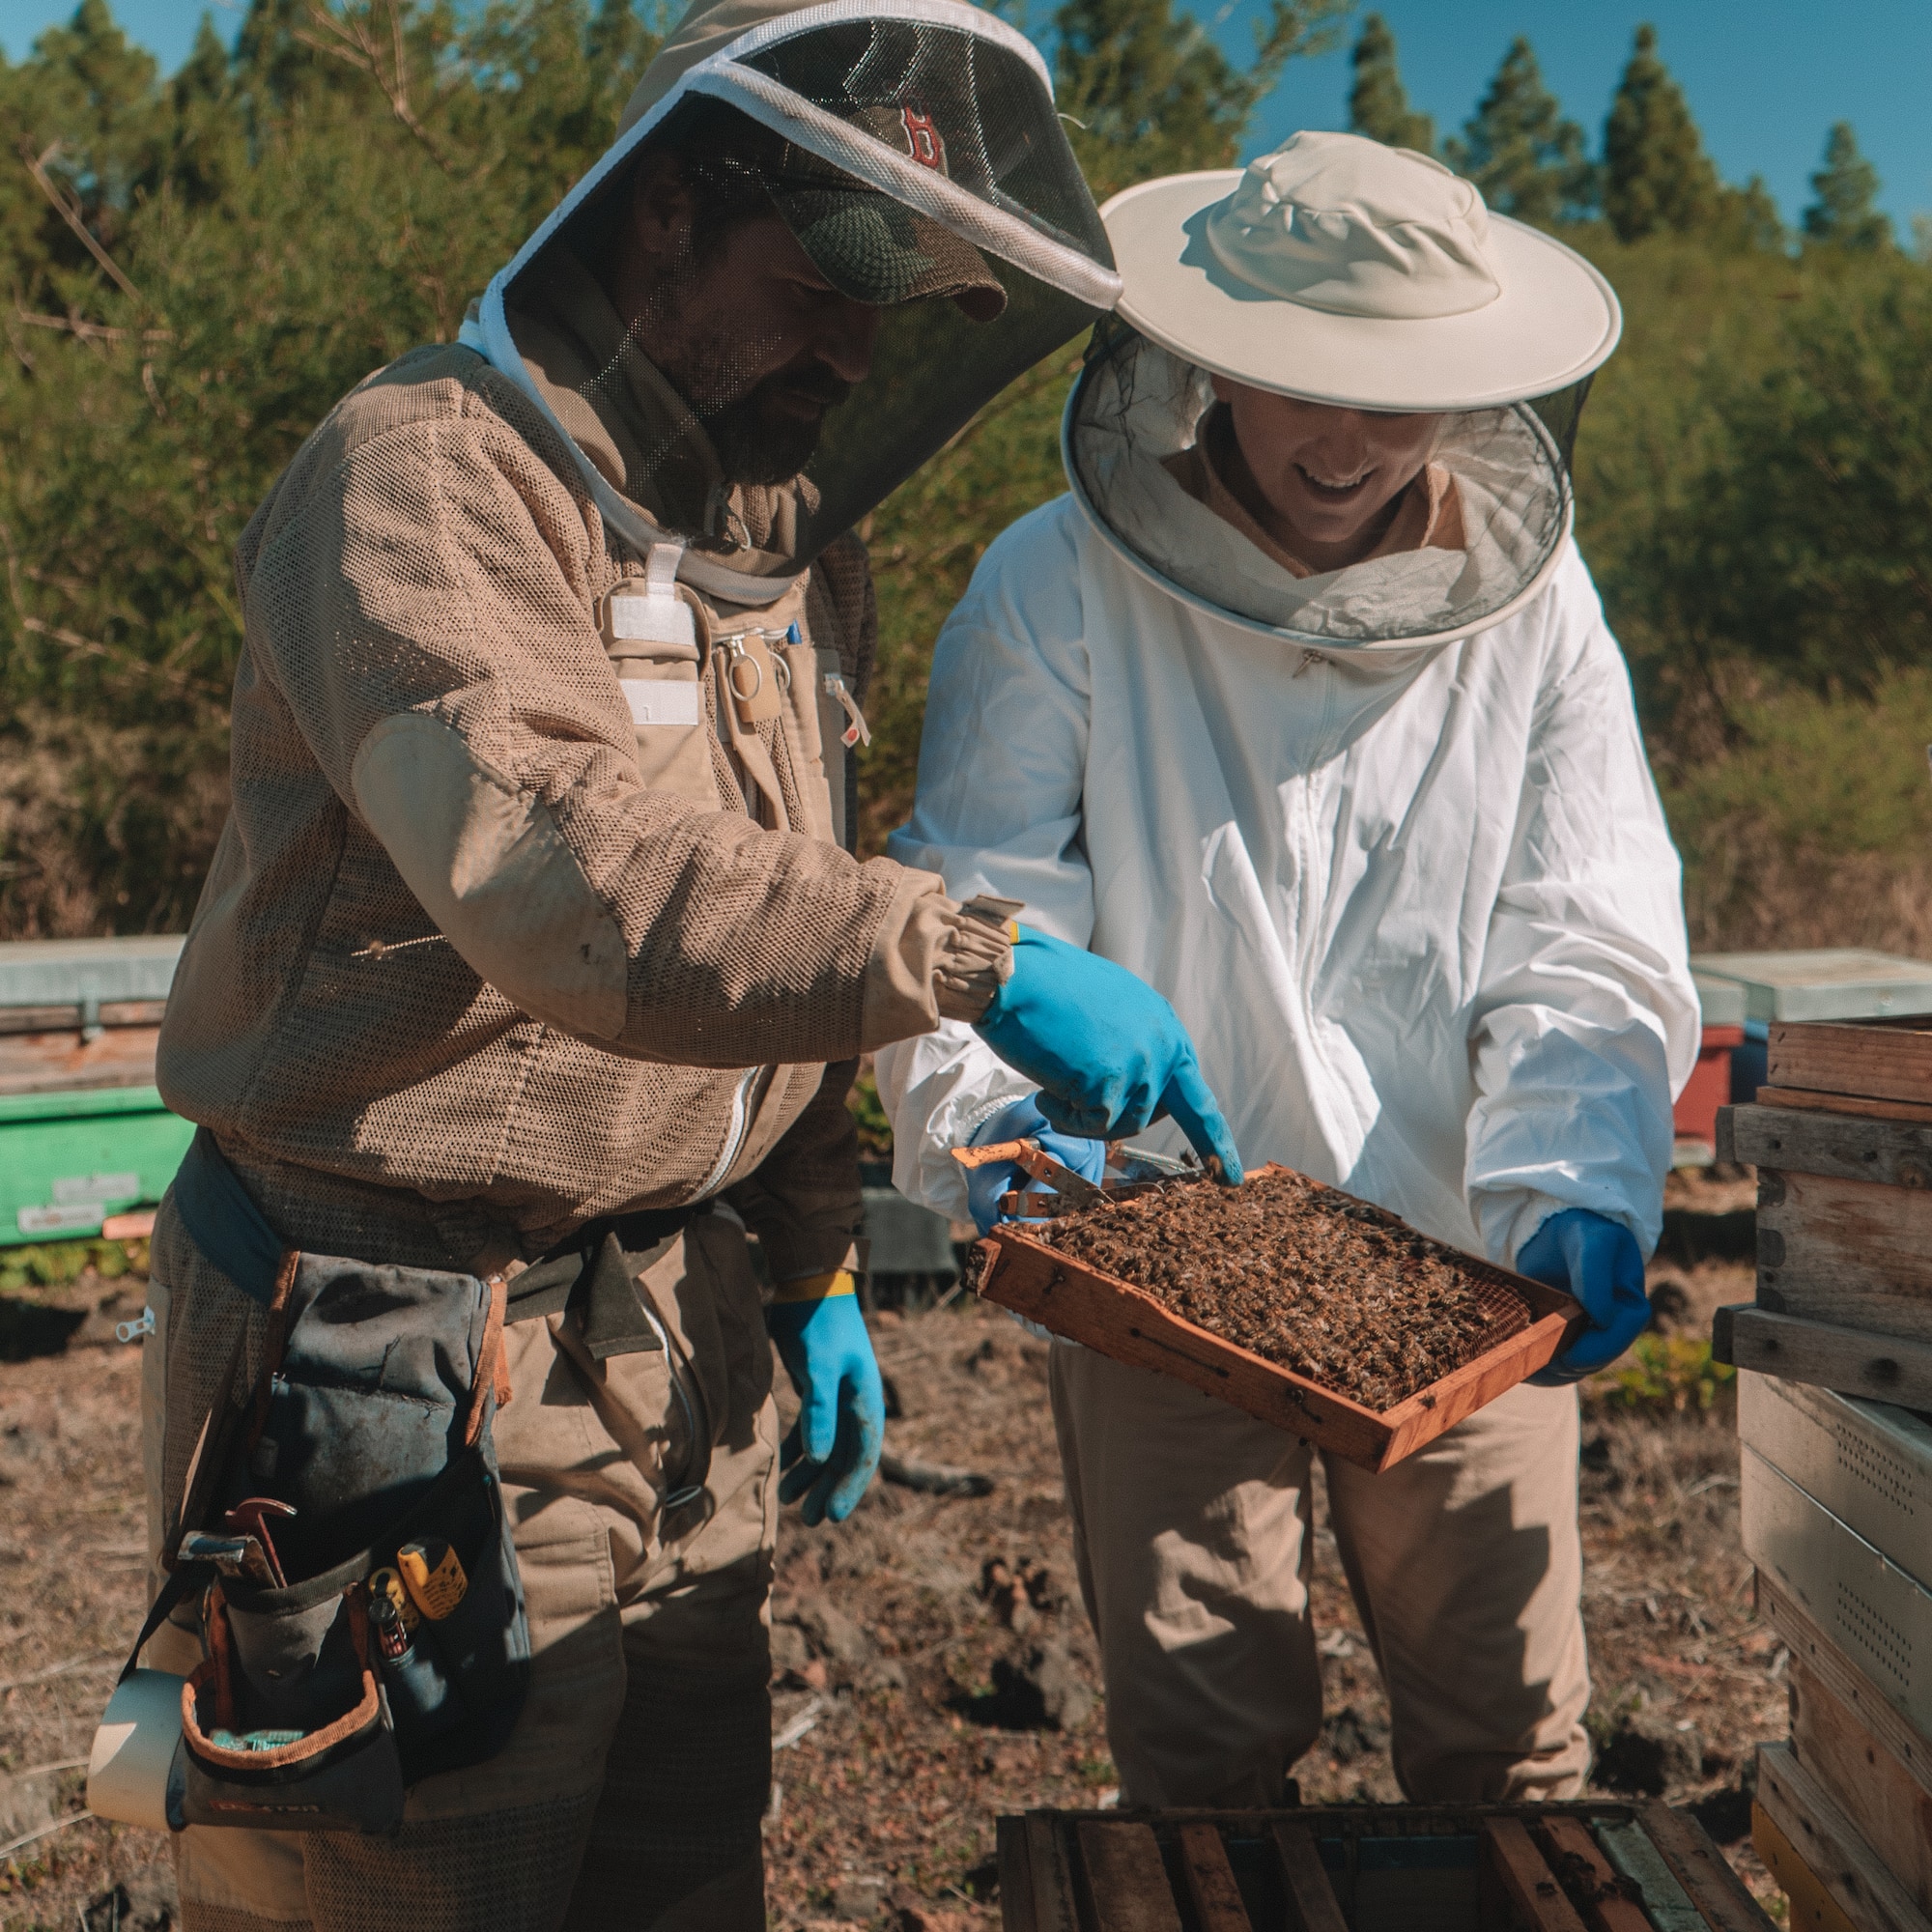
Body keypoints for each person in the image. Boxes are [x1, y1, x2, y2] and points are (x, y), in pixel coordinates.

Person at [133, 5, 1239, 1927]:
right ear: (658, 212)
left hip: (679, 1333)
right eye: (819, 280)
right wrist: (973, 963)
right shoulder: (424, 479)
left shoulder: (787, 548)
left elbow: (781, 907)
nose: (853, 345)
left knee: (677, 1878)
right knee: (402, 1887)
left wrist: (808, 1256)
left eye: (890, 306)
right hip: (396, 1342)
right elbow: (570, 880)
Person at [877, 131, 1699, 1807]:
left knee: (1511, 1744)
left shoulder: (1537, 615)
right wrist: (1027, 1157)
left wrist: (1578, 1182)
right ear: (1210, 366)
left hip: (1465, 1255)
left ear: (1468, 394)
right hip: (1152, 1248)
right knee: (1202, 1756)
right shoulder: (1059, 579)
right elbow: (983, 906)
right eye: (1296, 382)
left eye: (1394, 394)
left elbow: (1584, 927)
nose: (1343, 443)